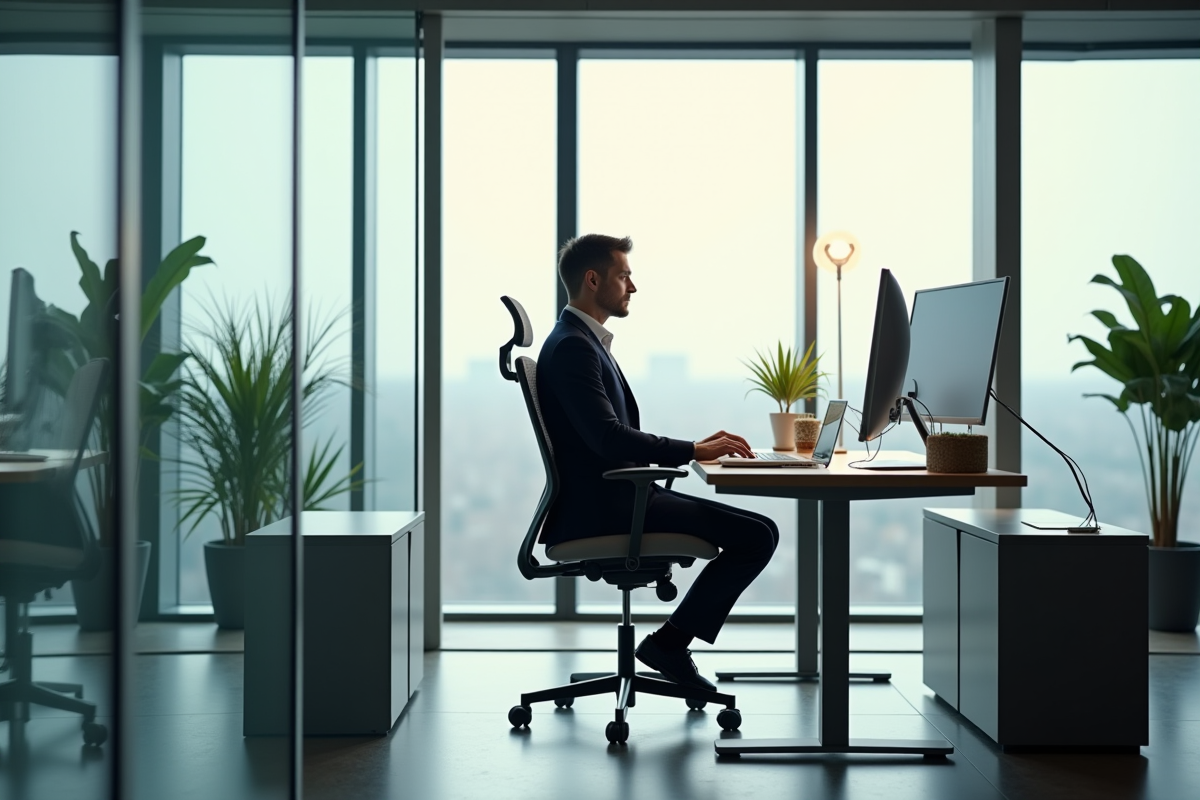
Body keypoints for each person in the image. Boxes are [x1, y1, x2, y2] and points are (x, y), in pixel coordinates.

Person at [536, 233, 779, 691]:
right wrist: (692, 450)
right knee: (757, 536)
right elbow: (608, 438)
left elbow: (608, 436)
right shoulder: (574, 346)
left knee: (760, 532)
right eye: (624, 275)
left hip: (616, 496)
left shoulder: (582, 341)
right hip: (609, 506)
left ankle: (669, 642)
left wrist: (693, 448)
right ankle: (668, 645)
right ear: (593, 280)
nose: (632, 286)